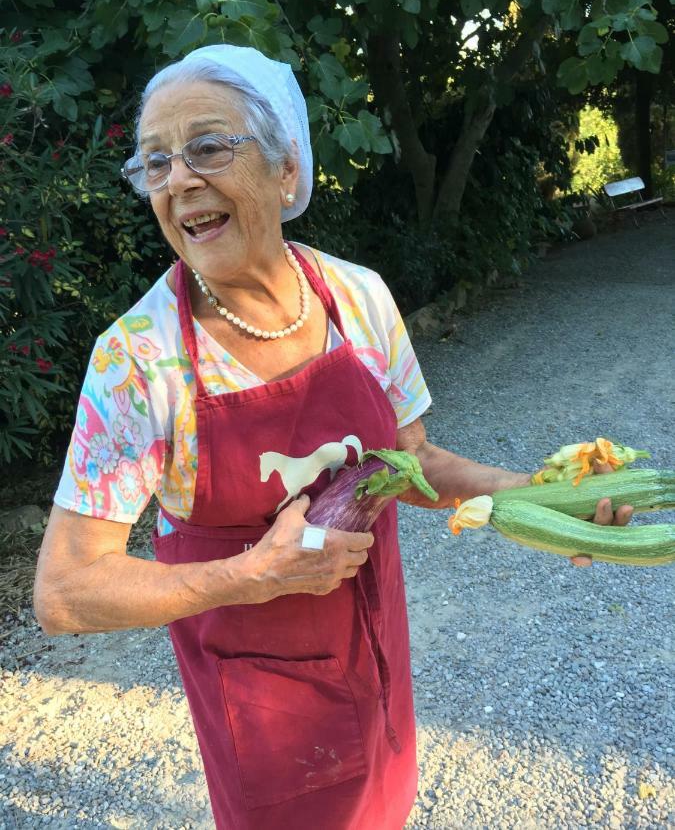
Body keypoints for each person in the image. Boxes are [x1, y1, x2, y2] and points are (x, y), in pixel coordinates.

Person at [33, 44, 633, 830]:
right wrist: (251, 575)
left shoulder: (358, 297)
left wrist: (539, 500)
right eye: (155, 162)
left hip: (376, 658)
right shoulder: (137, 361)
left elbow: (410, 461)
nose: (177, 179)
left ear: (286, 172)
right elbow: (65, 593)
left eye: (208, 147)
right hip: (262, 711)